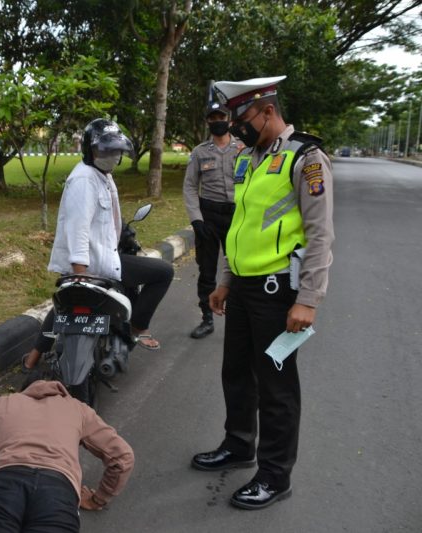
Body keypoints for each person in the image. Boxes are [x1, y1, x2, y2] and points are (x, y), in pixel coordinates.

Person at [191, 76, 334, 510]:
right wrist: (224, 281)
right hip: (244, 288)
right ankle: (239, 445)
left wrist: (308, 299)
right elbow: (241, 227)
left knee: (276, 388)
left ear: (267, 111)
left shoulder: (306, 158)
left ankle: (275, 474)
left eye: (242, 119)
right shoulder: (248, 160)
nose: (235, 128)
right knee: (236, 373)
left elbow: (320, 234)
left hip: (277, 293)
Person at [22, 118, 174, 371]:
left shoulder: (102, 175)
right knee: (164, 272)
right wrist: (81, 275)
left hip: (98, 258)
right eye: (106, 150)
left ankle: (33, 357)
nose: (112, 156)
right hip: (92, 264)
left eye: (116, 151)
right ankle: (136, 328)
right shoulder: (84, 180)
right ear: (90, 150)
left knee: (62, 306)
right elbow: (77, 229)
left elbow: (105, 220)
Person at [0, 379, 135, 532]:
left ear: (23, 390)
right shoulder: (79, 409)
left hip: (2, 480)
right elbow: (122, 457)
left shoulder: (0, 404)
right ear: (62, 391)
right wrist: (98, 499)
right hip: (58, 489)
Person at [183, 101, 239, 339]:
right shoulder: (199, 152)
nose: (218, 122)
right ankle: (207, 318)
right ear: (207, 121)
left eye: (221, 117)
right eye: (213, 118)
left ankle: (238, 319)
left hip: (238, 216)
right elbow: (189, 186)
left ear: (230, 120)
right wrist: (196, 220)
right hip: (209, 216)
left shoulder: (243, 149)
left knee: (238, 267)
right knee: (206, 270)